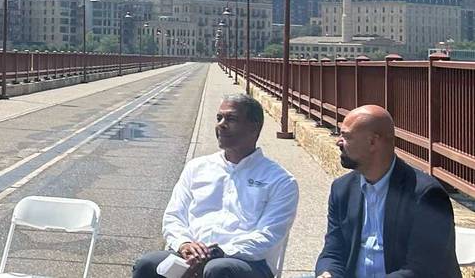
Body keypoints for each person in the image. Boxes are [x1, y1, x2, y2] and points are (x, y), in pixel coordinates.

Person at [133, 94, 298, 278]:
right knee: (148, 265)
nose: (221, 124)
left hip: (246, 263)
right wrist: (184, 244)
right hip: (190, 256)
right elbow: (174, 216)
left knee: (217, 270)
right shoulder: (197, 167)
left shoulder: (280, 180)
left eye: (231, 119)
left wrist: (216, 253)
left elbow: (268, 235)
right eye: (219, 118)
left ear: (254, 127)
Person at [312, 104, 460, 278]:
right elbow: (333, 251)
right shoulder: (342, 189)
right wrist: (328, 273)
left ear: (373, 142)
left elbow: (422, 269)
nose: (338, 142)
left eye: (346, 136)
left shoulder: (425, 194)